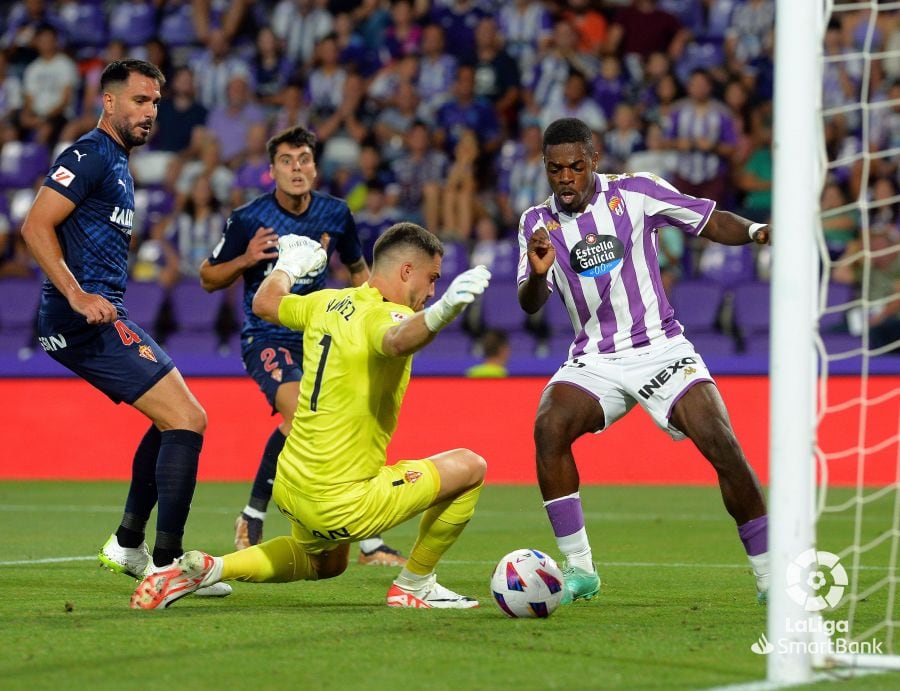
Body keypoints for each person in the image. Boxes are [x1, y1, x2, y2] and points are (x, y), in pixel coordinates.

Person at [130, 224, 491, 610]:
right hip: (342, 502)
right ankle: (415, 585)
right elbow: (396, 339)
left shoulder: (327, 302)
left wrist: (287, 266)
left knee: (328, 562)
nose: (433, 290)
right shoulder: (389, 314)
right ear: (406, 271)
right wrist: (442, 313)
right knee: (471, 467)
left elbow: (265, 303)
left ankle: (210, 569)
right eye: (432, 278)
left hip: (290, 484)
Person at [517, 118, 770, 604]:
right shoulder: (535, 223)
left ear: (594, 160)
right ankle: (580, 570)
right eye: (555, 170)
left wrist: (757, 231)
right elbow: (530, 302)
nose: (565, 177)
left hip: (660, 347)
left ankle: (769, 576)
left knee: (721, 442)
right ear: (545, 169)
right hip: (595, 357)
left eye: (574, 166)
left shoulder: (637, 192)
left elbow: (709, 220)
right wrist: (537, 271)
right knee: (549, 427)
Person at [20, 59, 230, 598]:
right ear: (108, 102)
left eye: (156, 102)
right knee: (189, 418)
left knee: (171, 420)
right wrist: (76, 293)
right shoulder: (89, 154)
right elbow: (34, 224)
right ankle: (166, 564)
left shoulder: (118, 162)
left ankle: (129, 544)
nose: (150, 111)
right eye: (140, 100)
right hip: (79, 318)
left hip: (101, 314)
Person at [198, 125, 405, 566]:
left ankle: (360, 538)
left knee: (343, 425)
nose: (297, 168)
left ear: (315, 167)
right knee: (299, 414)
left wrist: (373, 317)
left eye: (304, 160)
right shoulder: (248, 218)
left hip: (319, 336)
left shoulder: (336, 213)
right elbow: (207, 277)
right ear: (271, 171)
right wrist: (247, 259)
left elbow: (356, 270)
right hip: (267, 336)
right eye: (287, 161)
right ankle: (255, 516)